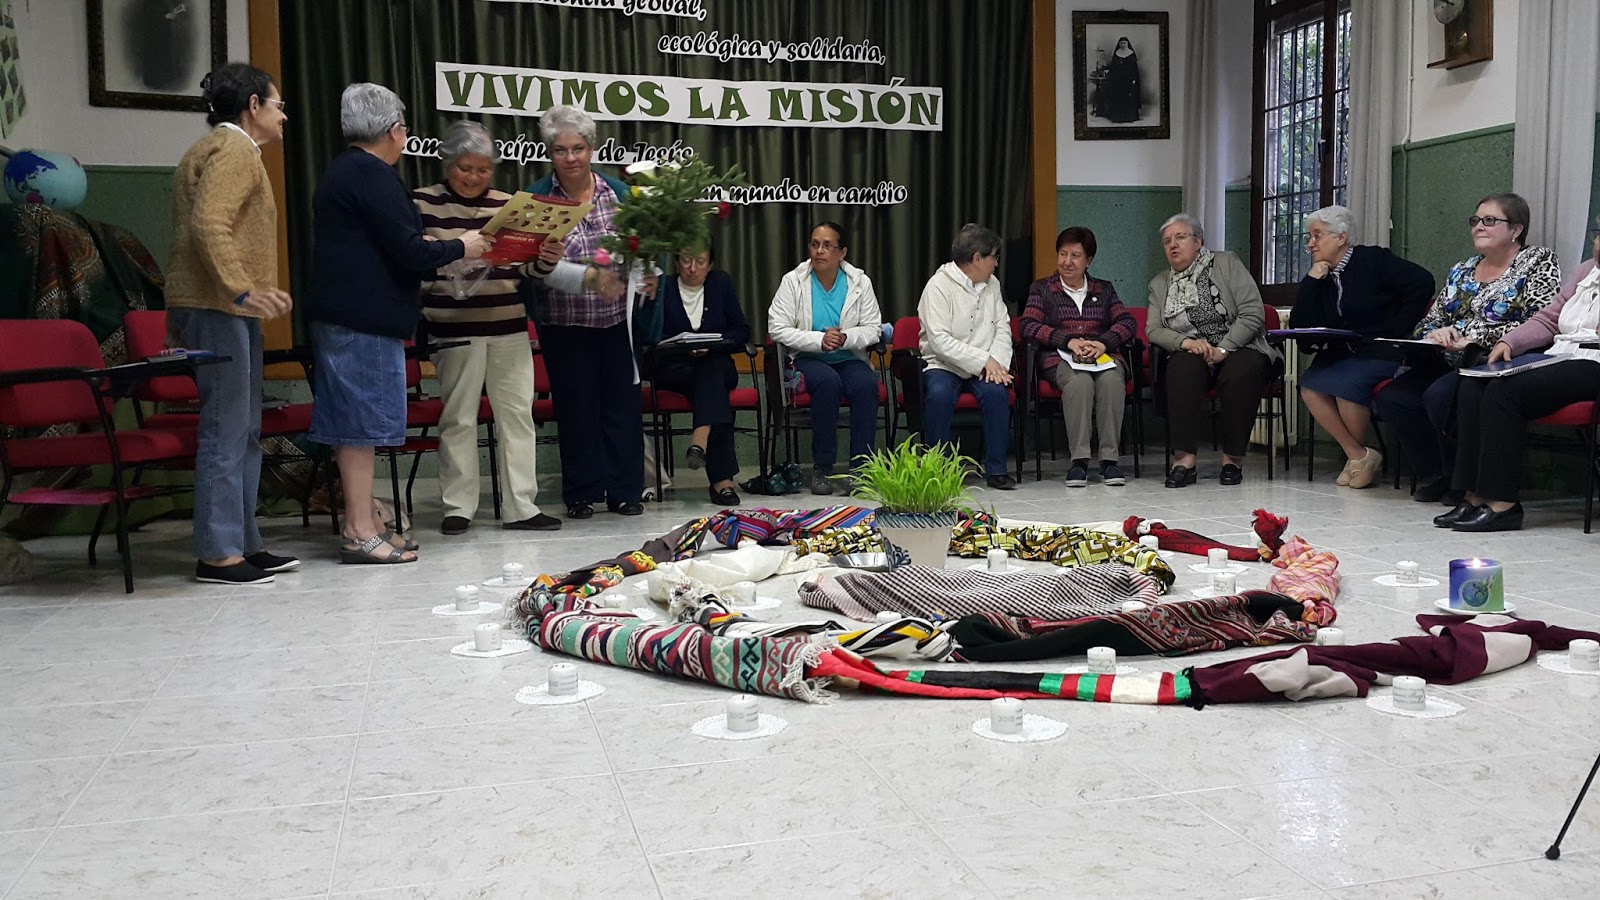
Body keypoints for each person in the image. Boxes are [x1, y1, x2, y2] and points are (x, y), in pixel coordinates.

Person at [305, 83, 487, 564]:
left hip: (348, 316)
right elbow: (408, 251)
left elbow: (389, 244)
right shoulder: (372, 174)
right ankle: (360, 530)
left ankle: (366, 519)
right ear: (394, 130)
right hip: (361, 320)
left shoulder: (346, 170)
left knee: (356, 425)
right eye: (404, 128)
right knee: (360, 427)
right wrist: (461, 246)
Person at [164, 62, 296, 585]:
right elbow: (209, 222)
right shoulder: (235, 149)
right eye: (278, 104)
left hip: (225, 307)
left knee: (243, 429)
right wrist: (240, 286)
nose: (283, 115)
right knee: (226, 427)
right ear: (253, 105)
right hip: (219, 306)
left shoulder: (218, 147)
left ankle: (243, 543)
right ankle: (218, 553)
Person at [413, 121, 561, 536]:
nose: (474, 177)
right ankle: (458, 507)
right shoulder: (423, 202)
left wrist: (545, 258)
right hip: (452, 328)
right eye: (465, 168)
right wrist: (455, 255)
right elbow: (414, 263)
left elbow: (527, 269)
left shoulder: (508, 205)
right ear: (447, 163)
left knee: (517, 416)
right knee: (458, 417)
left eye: (483, 169)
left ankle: (521, 506)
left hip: (508, 324)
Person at [1374, 193, 1561, 503]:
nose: (1478, 227)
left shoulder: (1537, 261)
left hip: (1498, 359)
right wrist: (1437, 333)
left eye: (1490, 220)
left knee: (1440, 396)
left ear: (1516, 229)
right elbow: (1428, 322)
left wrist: (1475, 339)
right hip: (1449, 359)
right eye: (1475, 220)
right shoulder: (1462, 269)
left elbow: (1540, 320)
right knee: (1394, 397)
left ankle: (1463, 480)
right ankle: (1441, 473)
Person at [523, 104, 660, 519]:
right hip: (564, 324)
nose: (570, 158)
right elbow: (534, 267)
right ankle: (581, 493)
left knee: (623, 409)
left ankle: (625, 491)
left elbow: (645, 248)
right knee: (576, 410)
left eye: (578, 148)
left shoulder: (619, 194)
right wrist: (590, 279)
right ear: (549, 153)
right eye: (560, 150)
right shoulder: (537, 199)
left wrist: (650, 276)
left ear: (592, 148)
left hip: (618, 323)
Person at [1439, 220, 1600, 532]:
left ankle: (1503, 504)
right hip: (1560, 355)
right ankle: (1473, 494)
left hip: (1594, 362)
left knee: (1506, 391)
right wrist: (1509, 342)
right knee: (1475, 382)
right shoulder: (1586, 271)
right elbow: (1549, 319)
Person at [1292, 205, 1436, 488]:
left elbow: (1422, 282)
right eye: (1310, 237)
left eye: (1317, 236)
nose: (1310, 244)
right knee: (1309, 385)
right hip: (1343, 353)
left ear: (1341, 237)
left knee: (1347, 387)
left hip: (1380, 351)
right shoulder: (1322, 276)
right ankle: (1357, 455)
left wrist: (1397, 328)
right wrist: (1311, 282)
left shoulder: (1373, 260)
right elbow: (1301, 325)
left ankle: (1357, 461)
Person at [1146, 213, 1276, 488]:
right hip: (1194, 349)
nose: (1173, 245)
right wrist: (1186, 343)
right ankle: (1184, 461)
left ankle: (1232, 460)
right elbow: (1154, 329)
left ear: (1198, 241)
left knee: (1243, 370)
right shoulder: (1159, 283)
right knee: (1181, 368)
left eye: (1180, 237)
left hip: (1240, 345)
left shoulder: (1227, 263)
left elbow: (1253, 313)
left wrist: (1224, 349)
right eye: (1167, 241)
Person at [768, 222, 885, 495]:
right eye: (814, 244)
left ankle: (861, 468)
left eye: (827, 245)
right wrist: (818, 340)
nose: (819, 251)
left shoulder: (860, 282)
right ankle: (823, 468)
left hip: (849, 355)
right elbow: (777, 328)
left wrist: (845, 338)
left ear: (842, 252)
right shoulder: (793, 281)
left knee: (866, 384)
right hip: (808, 356)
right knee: (827, 383)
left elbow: (873, 328)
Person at [1021, 225, 1137, 488]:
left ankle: (1109, 461)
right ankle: (1080, 461)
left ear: (1089, 260)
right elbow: (1028, 325)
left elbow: (1127, 322)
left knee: (1111, 381)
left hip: (1102, 357)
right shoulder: (1042, 289)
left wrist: (1103, 343)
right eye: (1063, 254)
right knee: (1080, 382)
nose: (1067, 262)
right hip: (1061, 358)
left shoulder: (1103, 289)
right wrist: (1067, 341)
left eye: (1075, 255)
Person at [916, 223, 1015, 490]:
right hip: (944, 364)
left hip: (985, 366)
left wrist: (996, 364)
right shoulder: (938, 286)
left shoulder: (992, 284)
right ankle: (936, 470)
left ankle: (997, 469)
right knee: (939, 395)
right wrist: (984, 361)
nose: (996, 264)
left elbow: (1002, 327)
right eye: (994, 257)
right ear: (977, 258)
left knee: (997, 394)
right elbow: (939, 341)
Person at [650, 243, 750, 505]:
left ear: (711, 264)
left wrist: (715, 344)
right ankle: (722, 482)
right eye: (686, 260)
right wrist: (682, 345)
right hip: (675, 368)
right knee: (715, 388)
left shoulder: (721, 284)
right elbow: (651, 334)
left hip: (716, 362)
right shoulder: (663, 287)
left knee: (711, 372)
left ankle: (700, 441)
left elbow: (741, 331)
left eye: (700, 262)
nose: (692, 268)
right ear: (676, 263)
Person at [1097, 37, 1141, 123]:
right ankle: (1117, 116)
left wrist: (1134, 79)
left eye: (1124, 43)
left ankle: (1129, 117)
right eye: (1121, 43)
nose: (1123, 45)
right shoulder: (1117, 54)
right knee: (1117, 96)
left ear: (1127, 44)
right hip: (1117, 79)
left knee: (1128, 97)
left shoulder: (1131, 54)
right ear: (1119, 44)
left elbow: (1134, 69)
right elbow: (1113, 66)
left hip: (1128, 80)